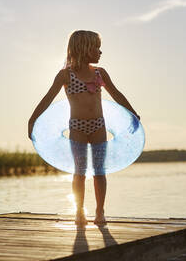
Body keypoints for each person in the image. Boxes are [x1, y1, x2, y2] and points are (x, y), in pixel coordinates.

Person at [28, 30, 140, 226]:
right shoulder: (65, 75)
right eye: (96, 47)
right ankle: (79, 211)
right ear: (84, 49)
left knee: (99, 171)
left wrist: (133, 113)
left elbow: (117, 94)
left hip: (99, 126)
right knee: (79, 171)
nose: (100, 52)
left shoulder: (100, 73)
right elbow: (47, 99)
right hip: (77, 128)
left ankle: (100, 211)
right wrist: (32, 120)